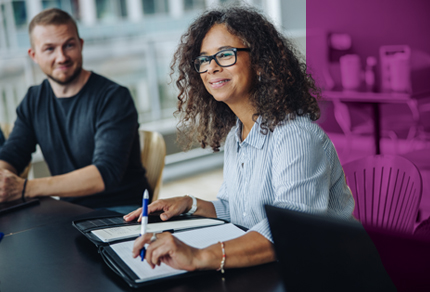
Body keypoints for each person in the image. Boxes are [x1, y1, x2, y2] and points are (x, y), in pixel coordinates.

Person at [124, 5, 355, 271]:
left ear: (259, 62)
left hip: (329, 272)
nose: (211, 68)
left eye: (225, 55)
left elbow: (291, 231)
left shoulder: (295, 137)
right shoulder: (238, 135)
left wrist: (200, 256)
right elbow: (238, 208)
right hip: (278, 269)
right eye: (204, 60)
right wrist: (190, 203)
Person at [0, 8, 150, 212]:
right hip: (68, 210)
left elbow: (105, 174)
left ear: (81, 45)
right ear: (34, 55)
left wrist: (25, 187)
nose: (61, 57)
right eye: (49, 49)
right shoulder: (34, 99)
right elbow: (12, 155)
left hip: (122, 210)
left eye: (69, 45)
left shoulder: (114, 96)